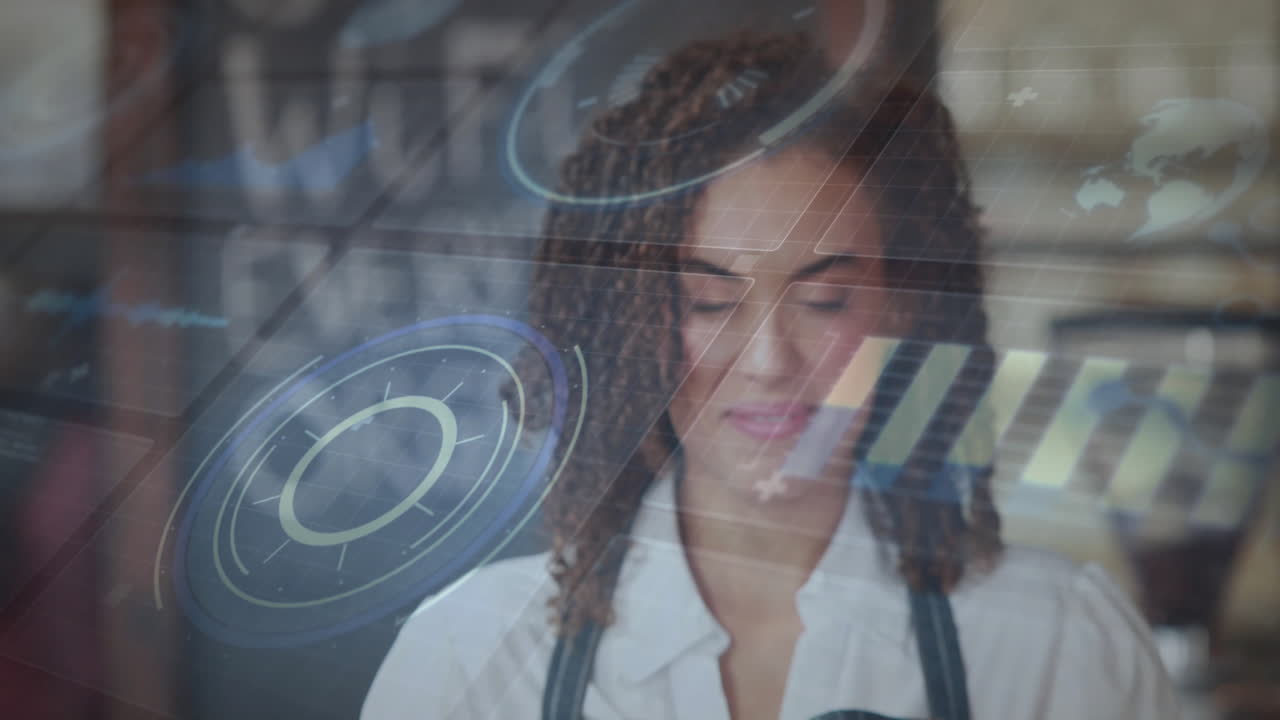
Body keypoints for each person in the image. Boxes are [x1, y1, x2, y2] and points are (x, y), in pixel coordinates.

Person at [363, 31, 1181, 720]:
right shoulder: (467, 657)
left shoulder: (1057, 643)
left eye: (825, 300)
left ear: (903, 308)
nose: (768, 362)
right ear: (632, 319)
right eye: (708, 301)